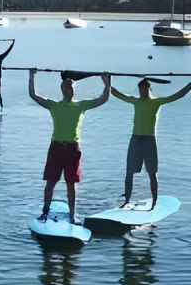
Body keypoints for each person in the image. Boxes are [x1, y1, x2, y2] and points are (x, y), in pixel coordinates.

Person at [29, 70, 111, 224]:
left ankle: (72, 216)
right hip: (56, 147)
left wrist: (106, 82)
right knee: (51, 182)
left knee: (71, 184)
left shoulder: (81, 106)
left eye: (71, 88)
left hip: (72, 149)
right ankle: (45, 212)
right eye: (67, 88)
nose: (69, 90)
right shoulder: (54, 105)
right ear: (62, 89)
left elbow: (103, 99)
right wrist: (31, 75)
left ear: (74, 90)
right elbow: (33, 95)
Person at [111, 78, 191, 209]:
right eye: (140, 89)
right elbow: (117, 94)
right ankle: (127, 200)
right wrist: (107, 81)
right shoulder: (135, 101)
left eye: (145, 89)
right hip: (136, 139)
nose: (142, 92)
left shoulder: (156, 102)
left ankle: (154, 202)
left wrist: (189, 85)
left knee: (152, 173)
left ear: (149, 89)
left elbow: (178, 95)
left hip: (149, 139)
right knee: (129, 172)